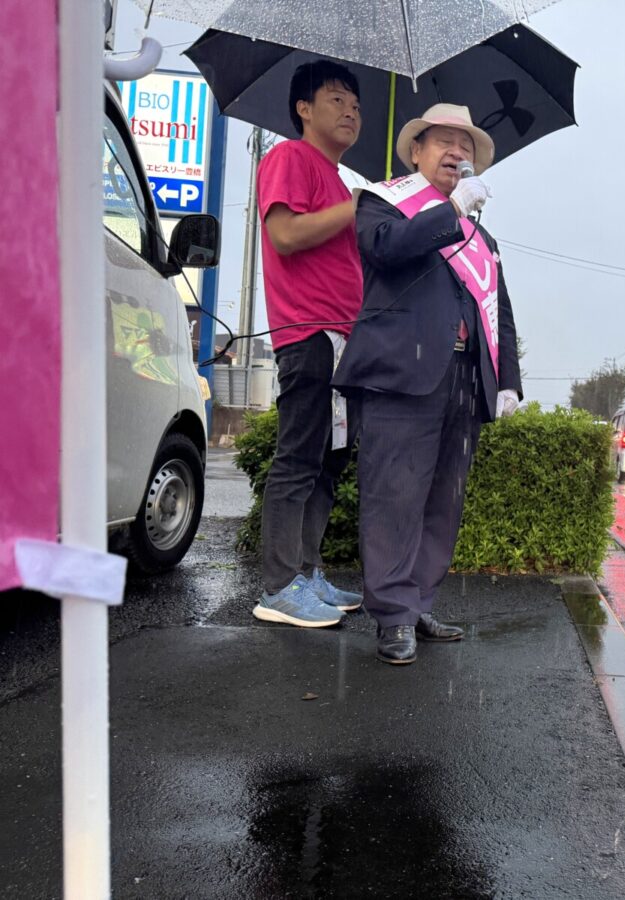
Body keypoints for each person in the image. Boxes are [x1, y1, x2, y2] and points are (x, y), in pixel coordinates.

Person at [333, 103, 522, 666]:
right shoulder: (381, 202)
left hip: (466, 380)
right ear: (415, 151)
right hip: (402, 375)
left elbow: (500, 312)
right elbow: (384, 250)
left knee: (444, 501)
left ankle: (416, 604)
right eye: (442, 140)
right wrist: (449, 212)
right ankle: (391, 615)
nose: (455, 153)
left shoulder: (480, 239)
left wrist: (508, 379)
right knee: (394, 496)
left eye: (464, 146)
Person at [252, 60, 365, 628]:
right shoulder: (290, 158)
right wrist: (358, 209)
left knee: (327, 462)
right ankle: (276, 586)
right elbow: (285, 234)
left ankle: (305, 572)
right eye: (337, 99)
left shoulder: (340, 180)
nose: (351, 111)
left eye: (356, 105)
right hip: (308, 334)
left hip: (343, 341)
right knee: (298, 459)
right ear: (303, 107)